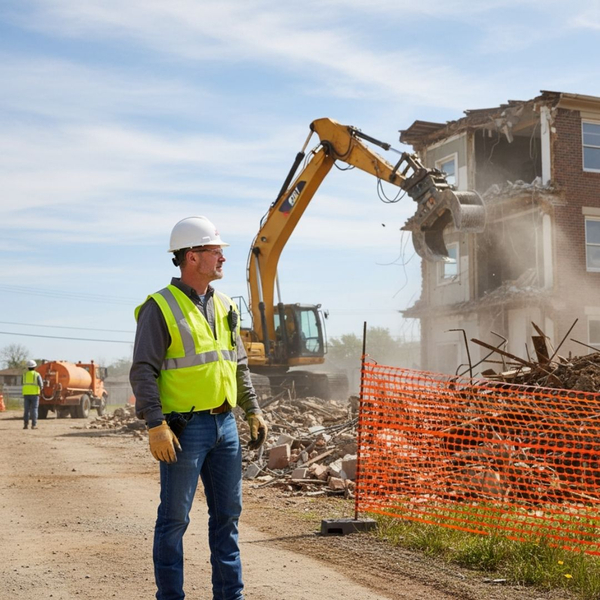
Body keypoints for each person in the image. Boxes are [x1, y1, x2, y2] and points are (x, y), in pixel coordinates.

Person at [129, 215, 268, 600]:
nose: (222, 257)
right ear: (192, 256)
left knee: (228, 518)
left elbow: (237, 362)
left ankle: (230, 596)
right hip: (183, 430)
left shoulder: (224, 305)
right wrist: (155, 424)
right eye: (215, 250)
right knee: (174, 520)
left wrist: (252, 408)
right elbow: (143, 371)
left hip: (225, 426)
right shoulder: (160, 307)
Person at [22, 359, 43, 430]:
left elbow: (22, 383)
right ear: (35, 367)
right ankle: (34, 425)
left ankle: (25, 425)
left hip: (26, 394)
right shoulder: (37, 374)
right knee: (34, 409)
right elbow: (41, 385)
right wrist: (40, 390)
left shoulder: (24, 374)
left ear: (27, 367)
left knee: (26, 410)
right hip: (35, 394)